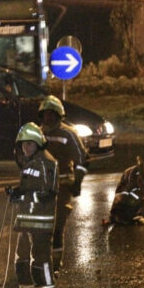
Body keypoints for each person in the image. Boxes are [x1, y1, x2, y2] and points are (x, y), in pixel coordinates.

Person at [7, 122, 59, 288]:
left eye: (29, 144)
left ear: (38, 143)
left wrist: (21, 195)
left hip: (40, 224)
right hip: (27, 222)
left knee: (41, 263)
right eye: (22, 145)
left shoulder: (46, 163)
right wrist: (17, 192)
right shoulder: (31, 162)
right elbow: (30, 188)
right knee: (21, 261)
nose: (25, 148)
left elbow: (46, 194)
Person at [37, 95, 89, 272]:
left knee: (56, 228)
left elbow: (82, 159)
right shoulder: (37, 134)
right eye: (46, 114)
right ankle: (40, 263)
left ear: (59, 115)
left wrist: (78, 182)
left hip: (61, 189)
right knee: (40, 229)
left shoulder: (68, 134)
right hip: (40, 190)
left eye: (52, 114)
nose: (49, 117)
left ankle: (55, 265)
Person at [104, 156, 144, 225]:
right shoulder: (127, 173)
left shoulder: (141, 174)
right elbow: (119, 190)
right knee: (118, 198)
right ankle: (115, 217)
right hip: (127, 196)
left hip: (136, 196)